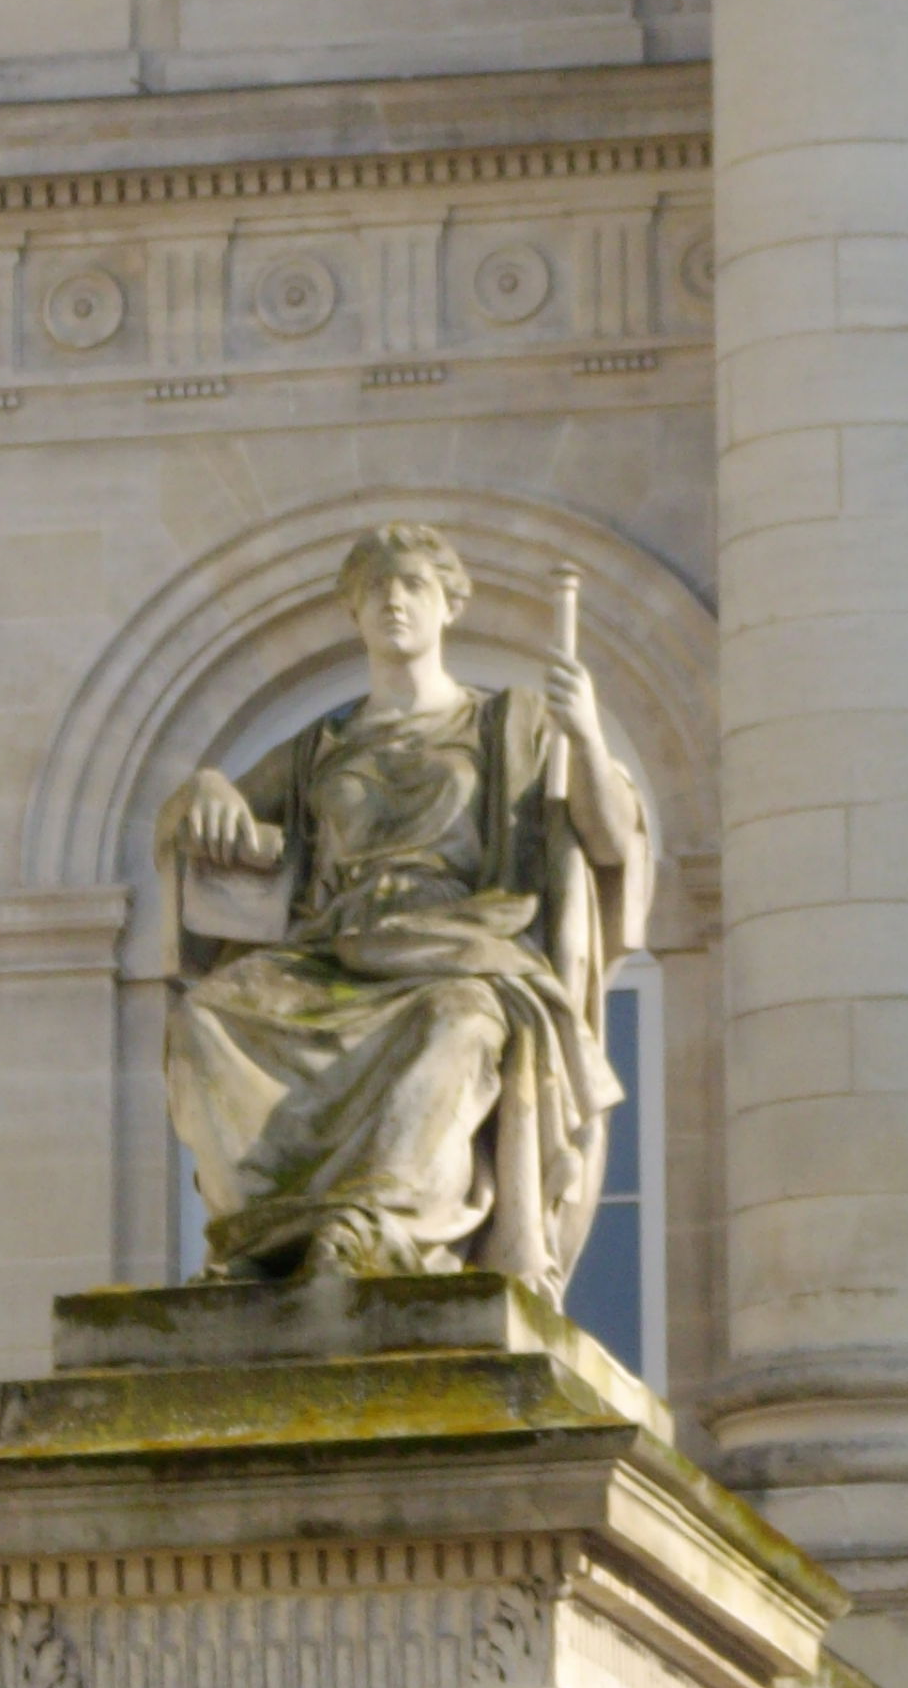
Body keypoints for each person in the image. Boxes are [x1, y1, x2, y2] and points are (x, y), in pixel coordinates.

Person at [158, 522, 647, 1287]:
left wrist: (582, 734)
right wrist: (204, 789)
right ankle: (263, 1232)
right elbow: (186, 824)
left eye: (412, 584)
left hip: (463, 944)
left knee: (458, 1018)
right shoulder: (323, 744)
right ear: (352, 613)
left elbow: (612, 842)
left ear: (450, 604)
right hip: (334, 950)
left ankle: (378, 1224)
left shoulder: (505, 722)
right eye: (374, 589)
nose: (393, 601)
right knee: (206, 1016)